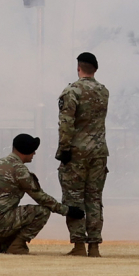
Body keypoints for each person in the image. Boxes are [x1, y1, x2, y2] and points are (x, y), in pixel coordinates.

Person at [0, 134, 84, 255]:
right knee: (42, 211)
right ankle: (18, 245)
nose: (34, 153)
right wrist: (67, 210)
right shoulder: (19, 170)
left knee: (3, 247)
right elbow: (40, 197)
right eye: (33, 150)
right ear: (26, 150)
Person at [56, 52, 109, 257]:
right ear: (95, 69)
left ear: (78, 68)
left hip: (76, 152)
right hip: (99, 152)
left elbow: (66, 123)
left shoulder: (72, 91)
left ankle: (78, 245)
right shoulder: (104, 91)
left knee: (74, 198)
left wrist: (64, 149)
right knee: (94, 198)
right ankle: (94, 245)